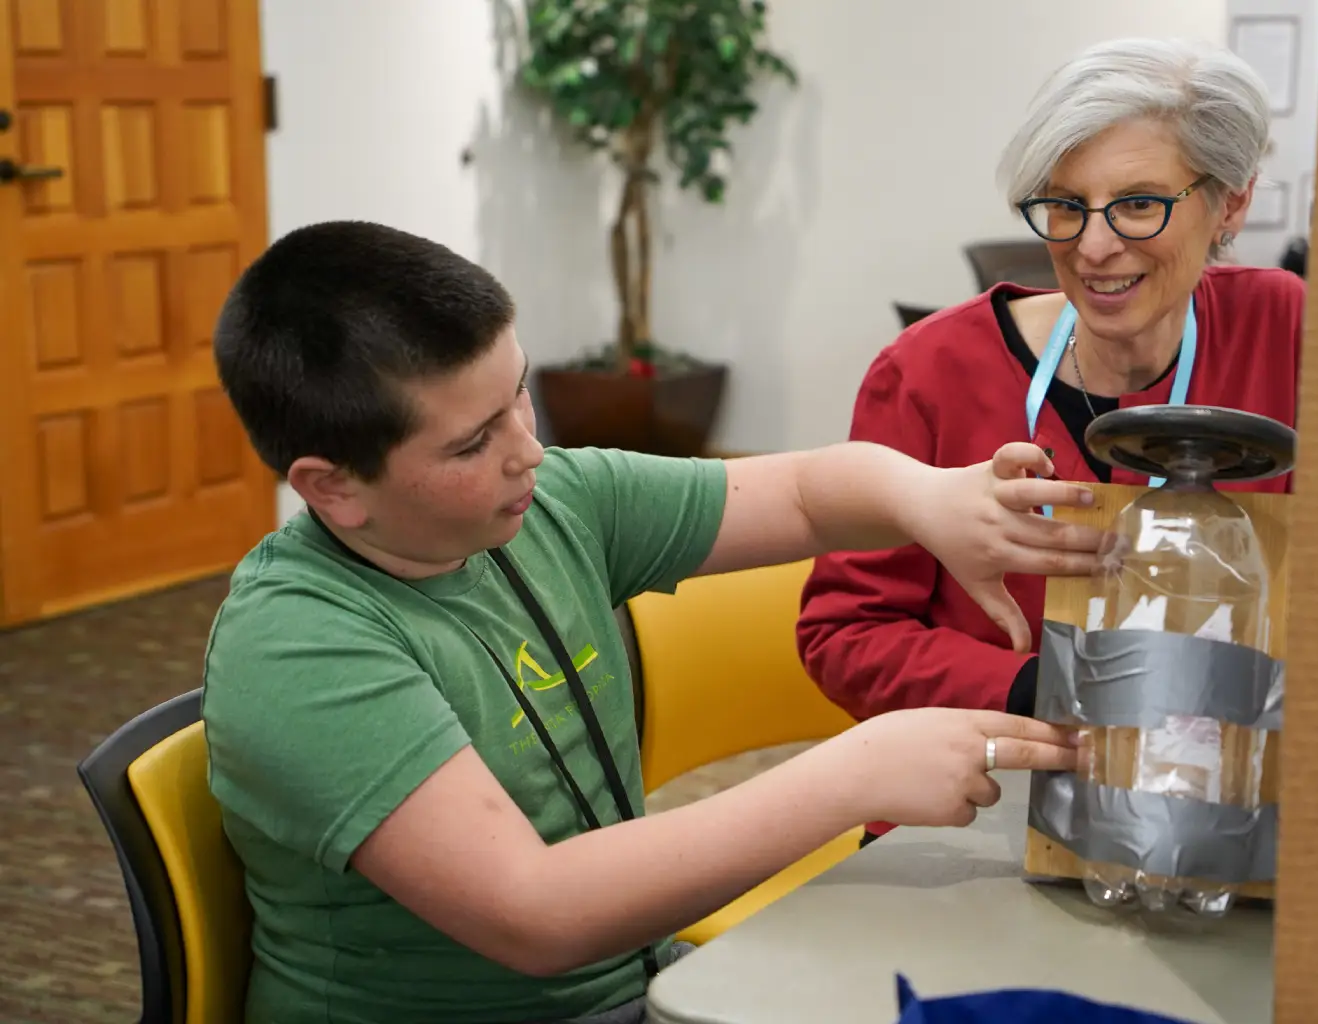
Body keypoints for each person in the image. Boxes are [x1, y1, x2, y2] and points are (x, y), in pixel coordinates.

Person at [201, 220, 1107, 1024]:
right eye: (472, 443)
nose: (527, 450)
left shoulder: (547, 501)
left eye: (517, 394)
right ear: (332, 487)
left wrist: (928, 497)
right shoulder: (299, 643)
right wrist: (853, 777)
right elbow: (536, 914)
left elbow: (799, 493)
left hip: (648, 983)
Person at [795, 37, 1305, 848]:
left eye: (1140, 203)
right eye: (1065, 205)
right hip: (979, 807)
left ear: (1232, 205)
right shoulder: (926, 372)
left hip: (1223, 811)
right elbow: (844, 633)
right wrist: (1041, 687)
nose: (1093, 245)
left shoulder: (1292, 332)